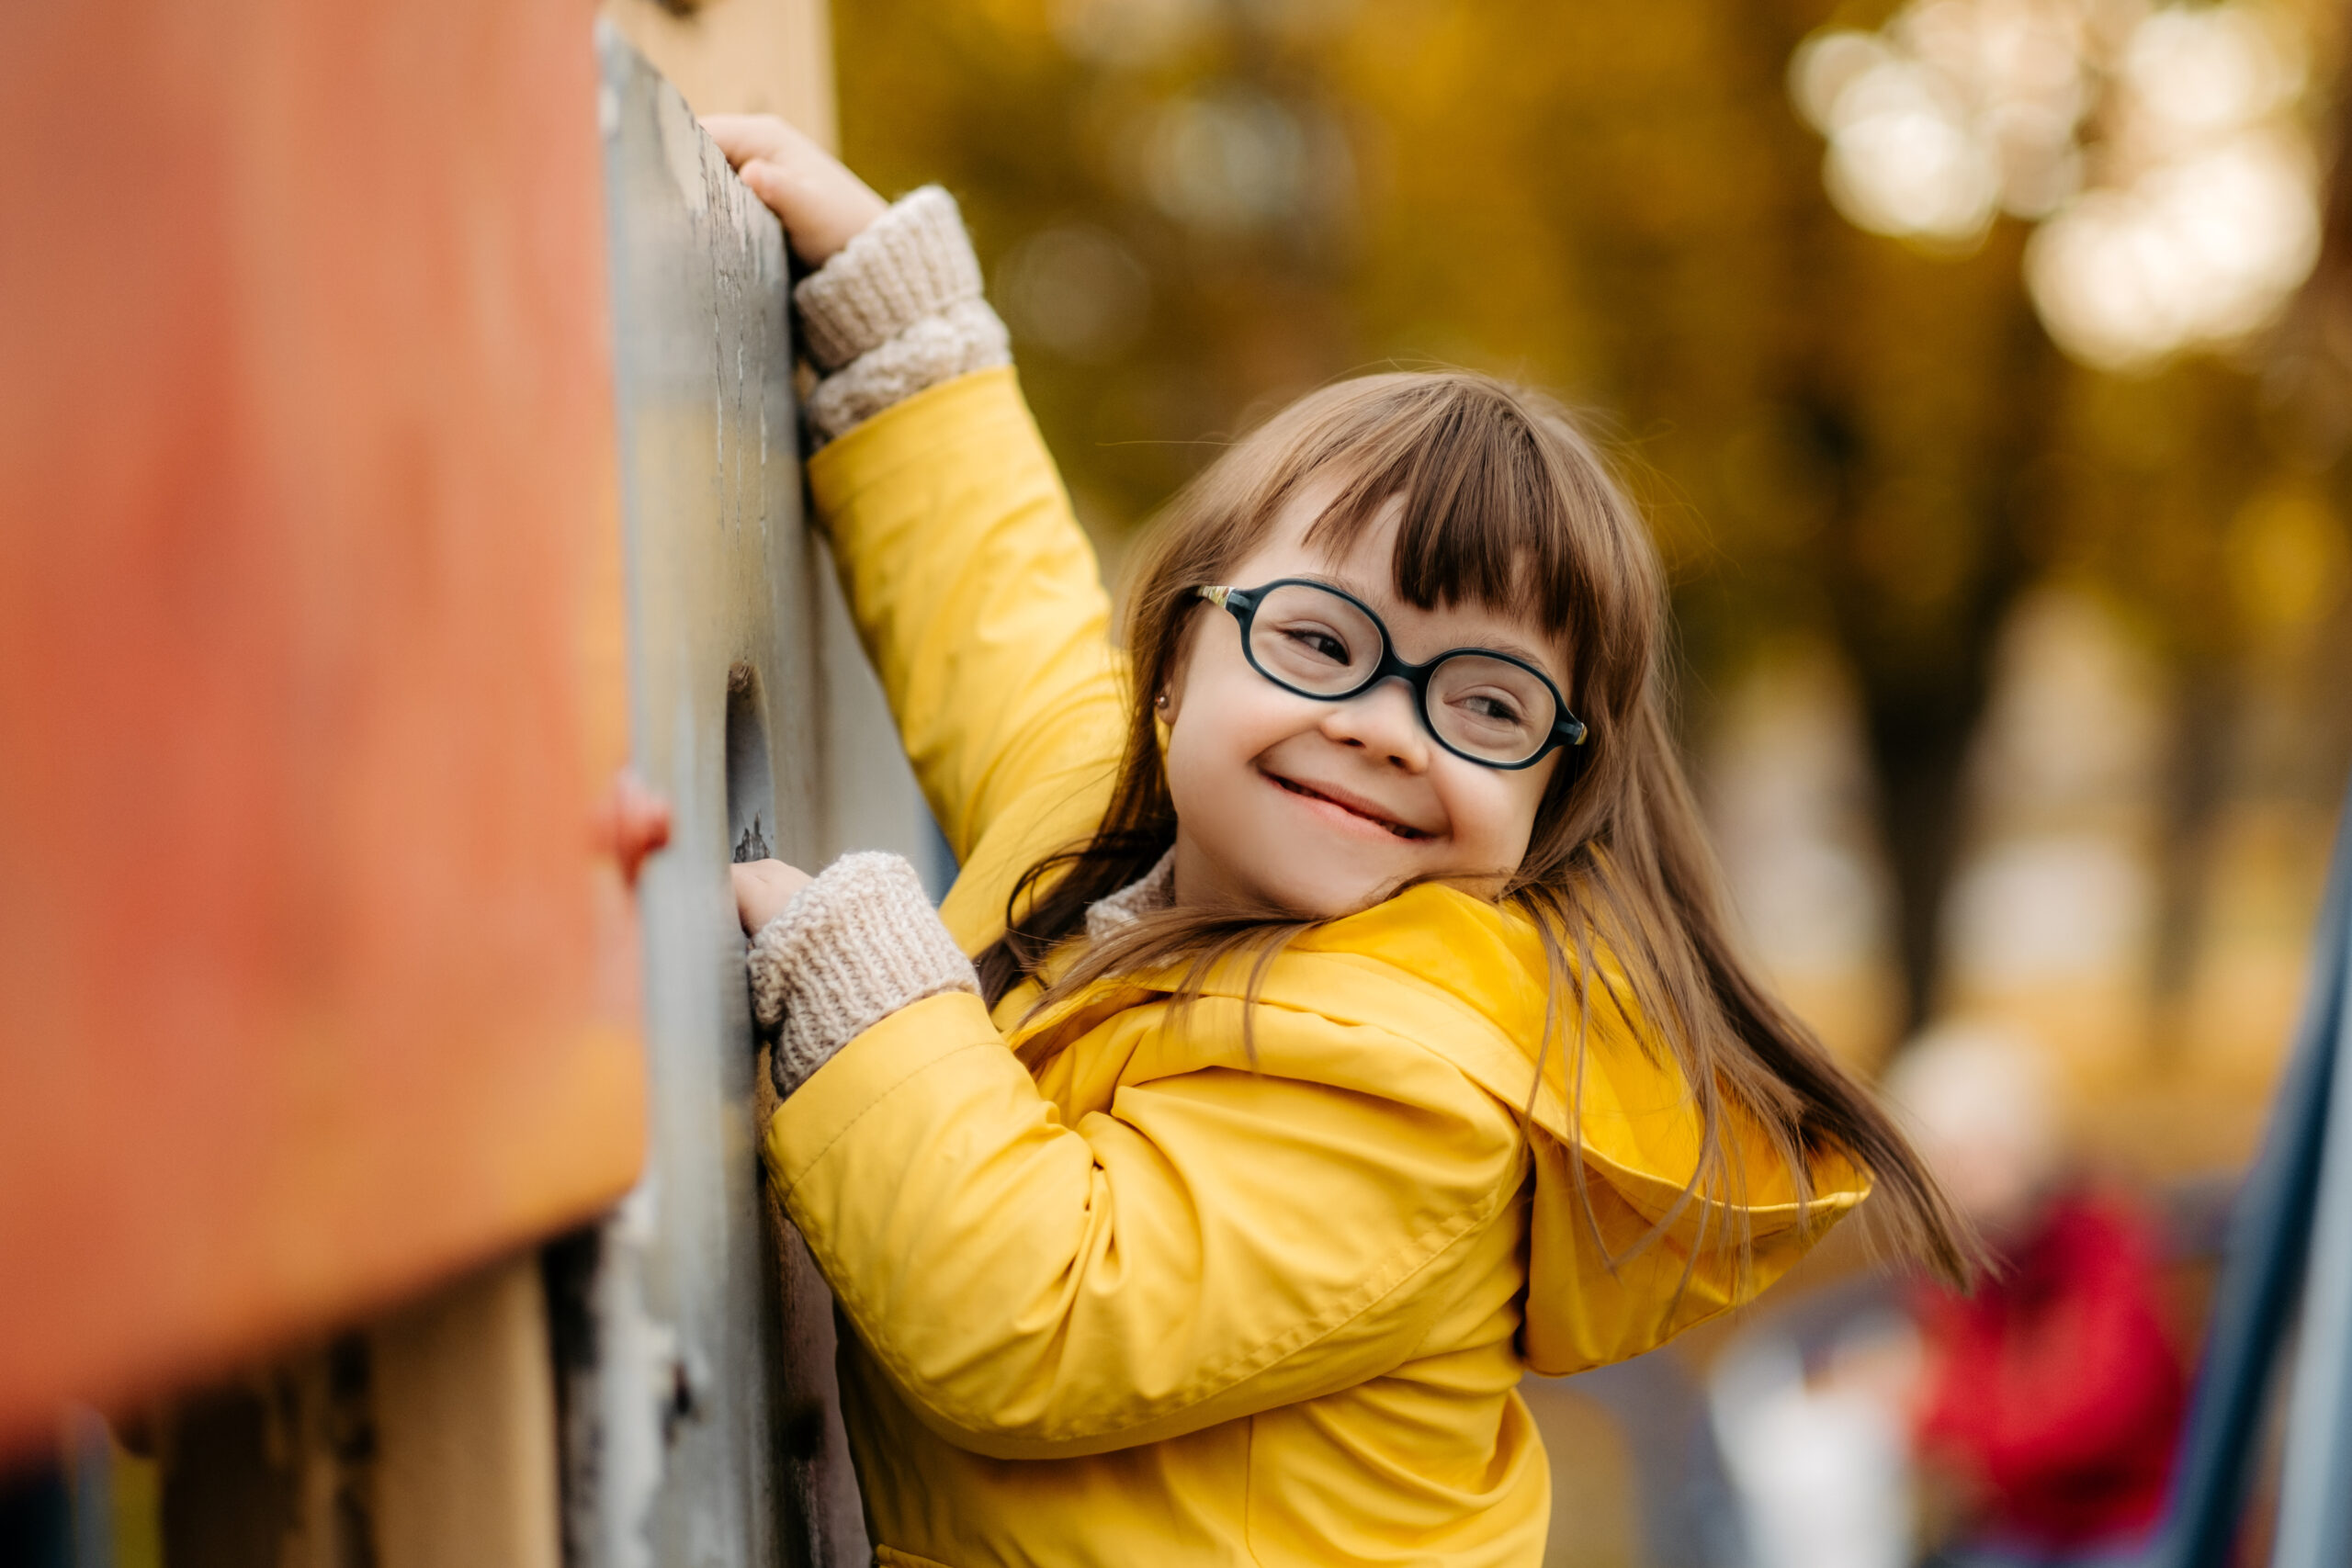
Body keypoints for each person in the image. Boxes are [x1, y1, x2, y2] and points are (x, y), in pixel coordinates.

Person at [702, 115, 1975, 1567]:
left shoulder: (1418, 1084)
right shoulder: (1109, 813)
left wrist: (868, 990)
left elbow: (1032, 1312)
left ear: (1549, 803)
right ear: (1181, 653)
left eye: (1485, 701)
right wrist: (907, 344)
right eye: (1325, 640)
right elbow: (1000, 615)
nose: (1384, 724)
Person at [1888, 1025, 2185, 1567]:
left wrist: (1925, 1403)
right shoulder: (1966, 1266)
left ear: (2030, 1148)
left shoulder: (2101, 1248)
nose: (1958, 1183)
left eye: (1975, 1156)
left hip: (2129, 1524)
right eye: (1941, 1163)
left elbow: (2093, 1417)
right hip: (2026, 1527)